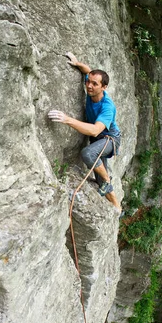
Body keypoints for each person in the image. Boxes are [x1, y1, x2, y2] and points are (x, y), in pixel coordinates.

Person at [48, 52, 122, 213]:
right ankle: (116, 205)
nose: (89, 86)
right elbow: (87, 70)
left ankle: (108, 179)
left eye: (94, 84)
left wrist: (67, 119)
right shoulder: (91, 88)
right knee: (99, 178)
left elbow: (95, 130)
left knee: (88, 154)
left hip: (109, 139)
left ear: (104, 87)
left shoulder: (107, 107)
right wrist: (77, 63)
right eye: (88, 82)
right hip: (98, 139)